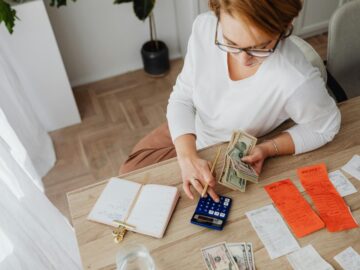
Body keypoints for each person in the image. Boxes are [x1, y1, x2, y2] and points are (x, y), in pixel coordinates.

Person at [119, 0, 341, 203]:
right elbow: (183, 97)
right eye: (230, 42)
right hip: (195, 122)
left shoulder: (295, 79)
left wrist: (269, 148)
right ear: (216, 12)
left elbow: (326, 127)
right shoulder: (204, 27)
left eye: (261, 47)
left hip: (221, 149)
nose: (243, 58)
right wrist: (186, 156)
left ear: (286, 25)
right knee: (128, 174)